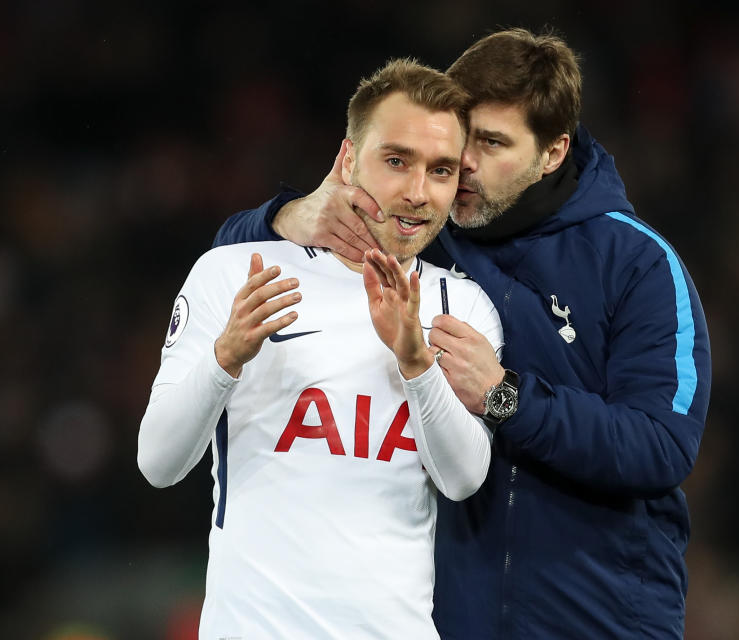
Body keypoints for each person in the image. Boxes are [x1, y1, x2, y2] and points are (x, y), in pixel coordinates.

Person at [214, 28, 712, 639]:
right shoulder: (421, 234)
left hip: (598, 619)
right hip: (450, 620)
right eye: (461, 139)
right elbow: (227, 264)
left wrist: (507, 397)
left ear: (553, 152)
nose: (465, 165)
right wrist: (292, 214)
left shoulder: (637, 264)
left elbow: (662, 445)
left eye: (493, 143)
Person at [138, 59, 504, 639]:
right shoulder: (235, 273)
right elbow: (157, 463)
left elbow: (463, 481)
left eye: (439, 170)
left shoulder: (462, 305)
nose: (416, 192)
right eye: (395, 160)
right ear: (347, 159)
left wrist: (416, 363)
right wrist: (225, 357)